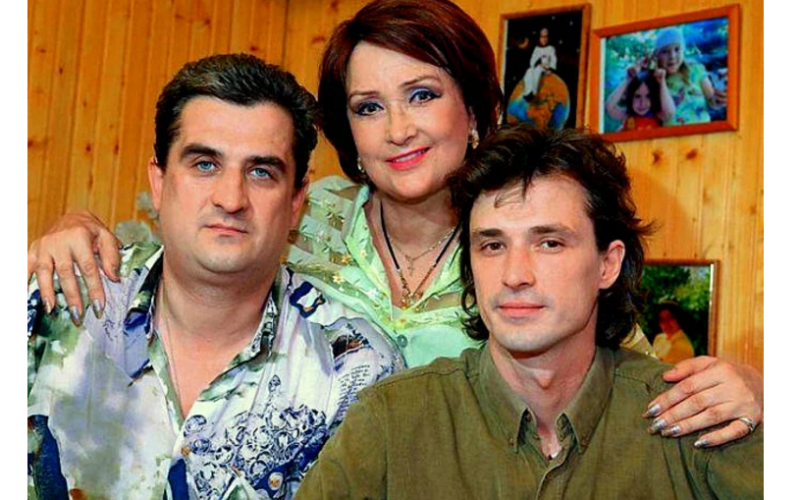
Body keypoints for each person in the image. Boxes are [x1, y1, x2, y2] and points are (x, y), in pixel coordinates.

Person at [27, 0, 762, 447]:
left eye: (422, 95)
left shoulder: (520, 245)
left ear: (473, 110)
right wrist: (74, 226)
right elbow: (174, 245)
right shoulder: (296, 213)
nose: (398, 129)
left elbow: (632, 372)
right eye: (369, 107)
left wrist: (755, 387)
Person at [293, 125, 763, 500]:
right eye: (492, 245)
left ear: (607, 263)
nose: (515, 274)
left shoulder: (694, 418)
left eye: (549, 243)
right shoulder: (390, 420)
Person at [27, 54, 402, 499]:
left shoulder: (355, 370)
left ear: (296, 200)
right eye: (205, 164)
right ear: (159, 181)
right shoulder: (54, 302)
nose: (231, 198)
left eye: (261, 172)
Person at [654, 27, 725, 126]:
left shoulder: (695, 70)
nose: (672, 56)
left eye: (677, 49)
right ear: (656, 55)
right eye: (665, 51)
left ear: (683, 50)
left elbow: (712, 101)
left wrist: (719, 101)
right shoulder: (655, 79)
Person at [604, 64, 676, 130]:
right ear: (630, 98)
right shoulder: (627, 116)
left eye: (648, 96)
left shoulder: (658, 115)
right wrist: (628, 79)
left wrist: (662, 82)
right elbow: (609, 107)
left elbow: (670, 112)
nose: (642, 103)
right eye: (637, 96)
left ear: (654, 98)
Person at [522, 27, 557, 99]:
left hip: (546, 69)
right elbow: (532, 61)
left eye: (546, 37)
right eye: (542, 37)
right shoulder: (537, 49)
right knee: (529, 71)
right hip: (537, 67)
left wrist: (548, 67)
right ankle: (527, 92)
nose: (544, 39)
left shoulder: (551, 48)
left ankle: (534, 92)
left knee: (538, 70)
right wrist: (537, 63)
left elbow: (553, 60)